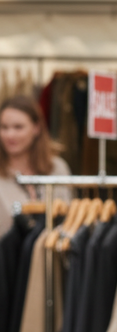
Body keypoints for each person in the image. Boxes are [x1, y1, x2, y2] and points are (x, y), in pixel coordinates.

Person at [0, 95, 71, 236]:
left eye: (18, 127)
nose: (10, 135)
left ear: (36, 128)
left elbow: (70, 217)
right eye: (4, 127)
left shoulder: (56, 168)